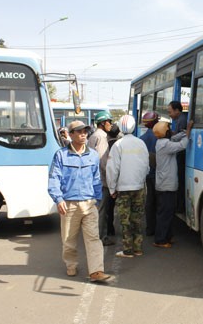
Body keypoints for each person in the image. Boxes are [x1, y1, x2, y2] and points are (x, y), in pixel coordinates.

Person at [48, 120, 113, 283]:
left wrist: (97, 200)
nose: (83, 134)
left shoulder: (92, 155)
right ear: (70, 135)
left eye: (85, 131)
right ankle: (71, 265)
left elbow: (96, 179)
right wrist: (58, 198)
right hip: (69, 204)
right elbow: (54, 178)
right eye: (79, 131)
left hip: (89, 203)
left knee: (93, 238)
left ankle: (96, 271)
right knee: (69, 241)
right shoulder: (61, 155)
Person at [106, 115, 149, 258]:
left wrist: (112, 188)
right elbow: (146, 166)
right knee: (137, 218)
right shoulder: (141, 143)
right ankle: (138, 248)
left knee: (125, 220)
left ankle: (127, 250)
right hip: (139, 186)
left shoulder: (118, 145)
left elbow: (112, 169)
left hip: (123, 189)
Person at [152, 120, 192, 248]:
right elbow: (182, 145)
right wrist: (189, 132)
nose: (171, 131)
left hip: (164, 184)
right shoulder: (165, 145)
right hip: (166, 185)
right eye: (169, 129)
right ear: (165, 133)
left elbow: (175, 138)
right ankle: (160, 240)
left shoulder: (161, 142)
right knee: (165, 213)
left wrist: (183, 133)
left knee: (168, 212)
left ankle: (167, 237)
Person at [87, 110, 114, 246]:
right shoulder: (102, 137)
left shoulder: (93, 136)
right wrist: (111, 179)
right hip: (101, 180)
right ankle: (101, 237)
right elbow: (104, 161)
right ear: (103, 123)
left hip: (93, 178)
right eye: (109, 121)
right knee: (102, 210)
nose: (111, 124)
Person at [140, 111, 159, 236]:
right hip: (158, 173)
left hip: (147, 173)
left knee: (150, 200)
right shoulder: (160, 137)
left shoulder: (141, 139)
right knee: (159, 202)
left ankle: (149, 228)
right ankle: (157, 228)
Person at [167, 101, 188, 214]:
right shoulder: (180, 119)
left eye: (170, 112)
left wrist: (171, 134)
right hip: (181, 154)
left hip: (182, 155)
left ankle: (180, 207)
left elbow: (181, 137)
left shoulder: (182, 120)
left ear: (177, 110)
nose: (169, 114)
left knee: (180, 181)